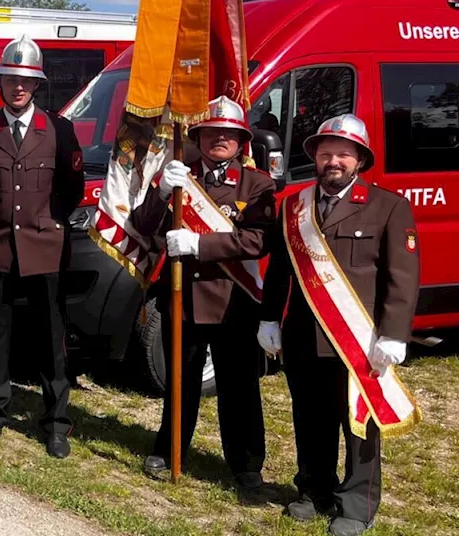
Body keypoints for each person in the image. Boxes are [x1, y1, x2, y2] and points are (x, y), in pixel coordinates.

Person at [259, 114, 420, 536]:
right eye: (326, 152)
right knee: (310, 417)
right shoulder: (294, 205)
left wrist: (394, 333)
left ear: (359, 160)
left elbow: (401, 277)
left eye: (343, 154)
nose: (334, 161)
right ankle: (314, 490)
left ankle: (356, 505)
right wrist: (268, 317)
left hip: (360, 339)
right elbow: (280, 269)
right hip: (302, 334)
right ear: (314, 156)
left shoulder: (389, 206)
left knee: (360, 424)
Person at [129, 97, 273, 489]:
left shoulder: (256, 184)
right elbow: (142, 225)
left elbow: (257, 240)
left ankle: (246, 462)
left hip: (234, 299)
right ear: (199, 136)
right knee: (181, 380)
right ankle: (169, 447)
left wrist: (200, 245)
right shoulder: (181, 174)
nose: (219, 139)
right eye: (211, 132)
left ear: (242, 140)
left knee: (239, 385)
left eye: (229, 134)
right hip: (184, 295)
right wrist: (161, 192)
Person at [0, 35, 85, 458]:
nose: (18, 87)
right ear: (0, 83)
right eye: (11, 79)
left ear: (37, 85)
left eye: (26, 80)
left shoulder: (58, 129)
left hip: (44, 247)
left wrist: (47, 221)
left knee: (50, 338)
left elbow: (71, 189)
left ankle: (55, 421)